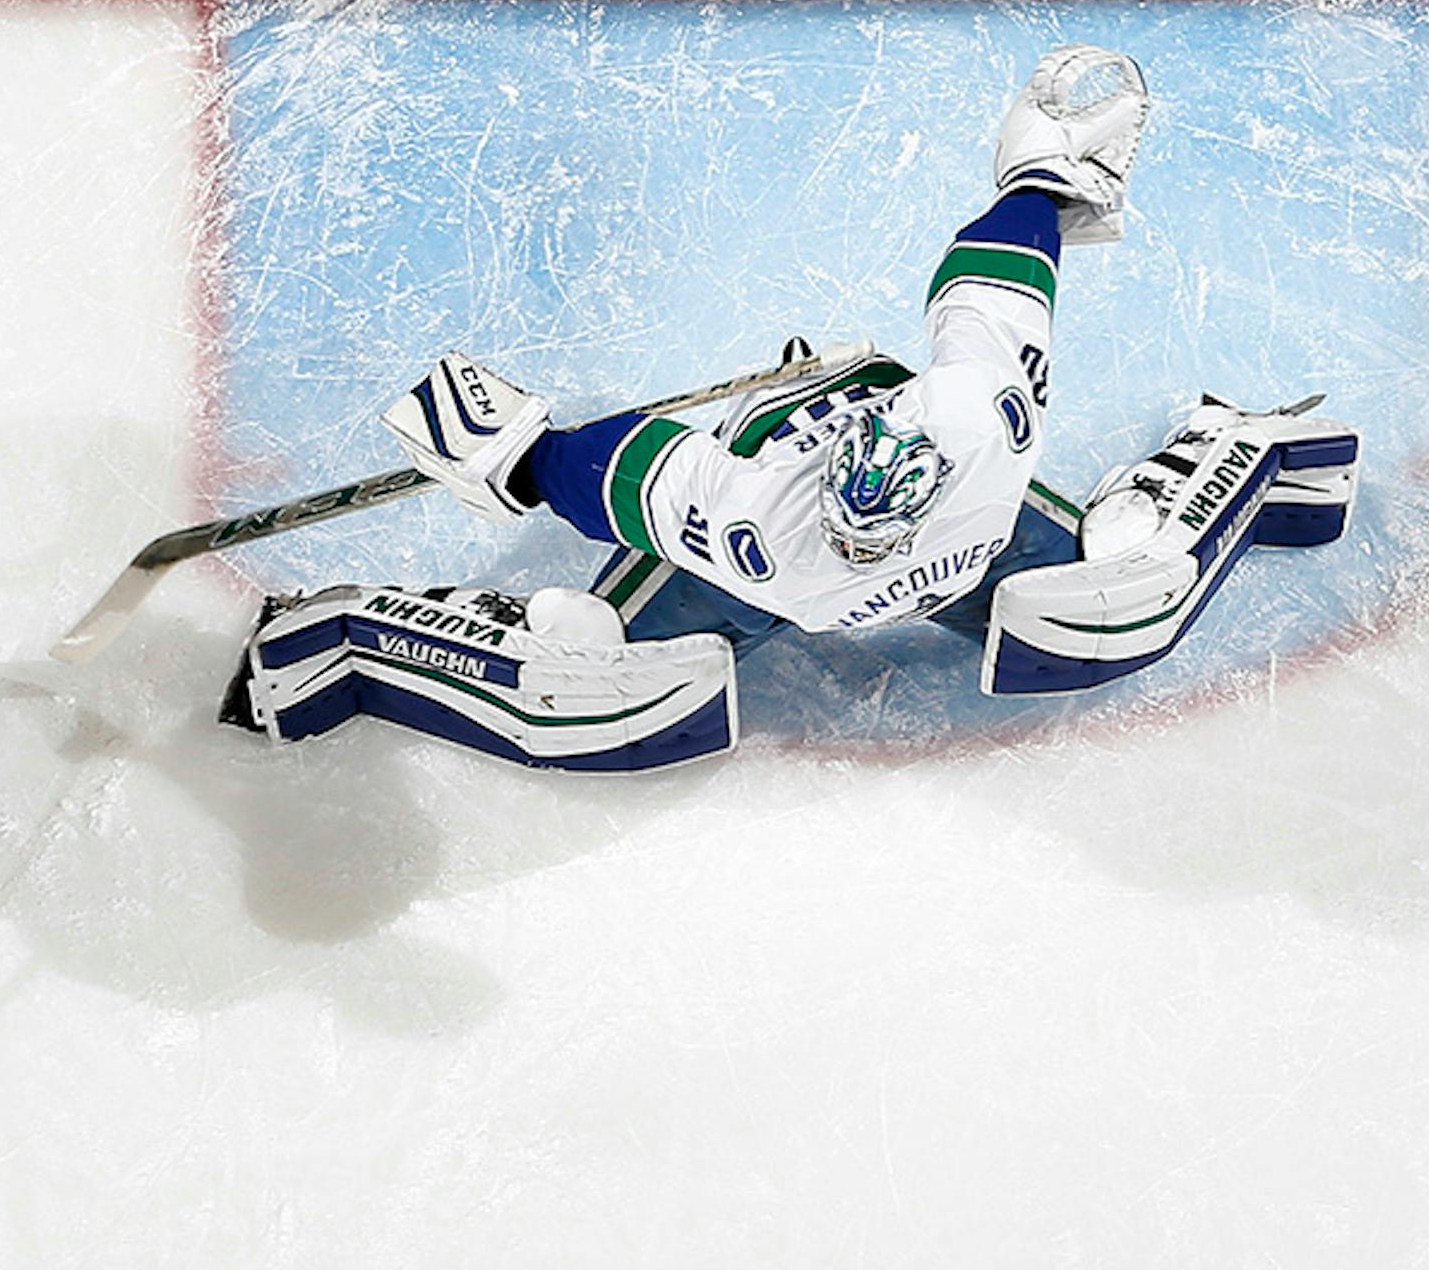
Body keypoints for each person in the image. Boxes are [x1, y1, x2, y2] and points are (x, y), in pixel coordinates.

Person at [220, 46, 1359, 769]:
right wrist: (1044, 181)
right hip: (973, 543)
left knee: (592, 660)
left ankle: (346, 634)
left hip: (776, 581)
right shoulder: (985, 421)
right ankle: (1251, 458)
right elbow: (997, 288)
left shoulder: (768, 525)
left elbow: (613, 476)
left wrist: (508, 446)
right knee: (1124, 572)